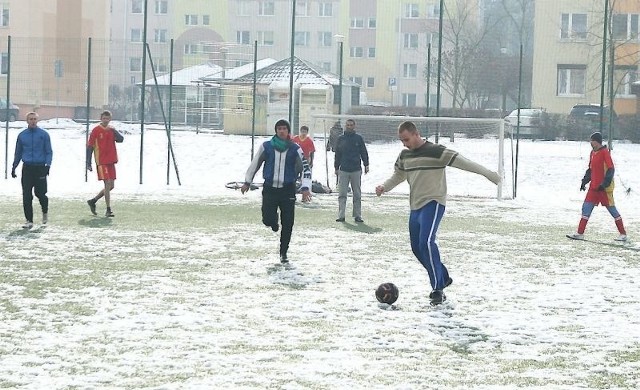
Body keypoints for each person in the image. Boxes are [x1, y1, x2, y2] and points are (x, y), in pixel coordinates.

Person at [375, 121, 501, 306]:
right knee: (417, 248)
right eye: (402, 140)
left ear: (416, 134)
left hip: (433, 203)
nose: (404, 143)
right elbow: (399, 175)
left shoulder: (437, 151)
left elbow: (465, 163)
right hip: (415, 206)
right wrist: (384, 187)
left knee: (427, 242)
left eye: (406, 139)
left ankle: (437, 289)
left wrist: (488, 174)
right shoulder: (404, 155)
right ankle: (443, 277)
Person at [241, 119, 312, 264]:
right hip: (270, 189)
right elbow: (255, 164)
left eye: (284, 128)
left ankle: (283, 252)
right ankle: (273, 223)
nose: (281, 131)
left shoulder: (295, 148)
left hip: (287, 190)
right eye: (279, 128)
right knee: (267, 219)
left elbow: (305, 168)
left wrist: (306, 188)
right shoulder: (266, 146)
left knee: (288, 223)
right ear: (276, 131)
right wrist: (247, 181)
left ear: (288, 131)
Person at [568, 131, 627, 241]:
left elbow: (611, 169)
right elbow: (590, 169)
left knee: (612, 210)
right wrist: (584, 182)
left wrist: (604, 184)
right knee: (586, 208)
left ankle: (623, 234)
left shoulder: (605, 152)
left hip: (603, 189)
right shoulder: (592, 153)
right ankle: (579, 233)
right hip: (593, 188)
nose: (591, 142)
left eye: (592, 140)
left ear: (597, 142)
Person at [11, 112, 53, 229]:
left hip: (40, 168)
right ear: (27, 121)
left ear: (37, 120)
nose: (33, 121)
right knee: (27, 195)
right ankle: (29, 220)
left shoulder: (44, 135)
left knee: (40, 194)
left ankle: (45, 212)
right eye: (31, 119)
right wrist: (14, 167)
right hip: (27, 168)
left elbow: (49, 151)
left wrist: (47, 165)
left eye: (35, 119)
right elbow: (18, 152)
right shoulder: (22, 135)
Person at [86, 110, 124, 217]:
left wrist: (114, 131)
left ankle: (93, 201)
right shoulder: (96, 130)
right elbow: (90, 146)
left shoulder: (111, 130)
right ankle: (108, 210)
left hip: (111, 161)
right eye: (104, 118)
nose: (105, 120)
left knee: (111, 186)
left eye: (107, 118)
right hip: (101, 161)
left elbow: (121, 139)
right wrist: (88, 162)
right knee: (107, 184)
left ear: (110, 119)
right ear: (101, 119)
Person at [334, 118, 369, 223]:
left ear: (354, 126)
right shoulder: (341, 139)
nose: (349, 127)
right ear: (345, 126)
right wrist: (336, 167)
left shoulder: (358, 138)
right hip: (344, 170)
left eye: (351, 125)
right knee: (342, 194)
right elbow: (337, 154)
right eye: (348, 125)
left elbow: (364, 152)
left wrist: (366, 164)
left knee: (357, 194)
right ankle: (341, 215)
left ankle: (357, 215)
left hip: (356, 170)